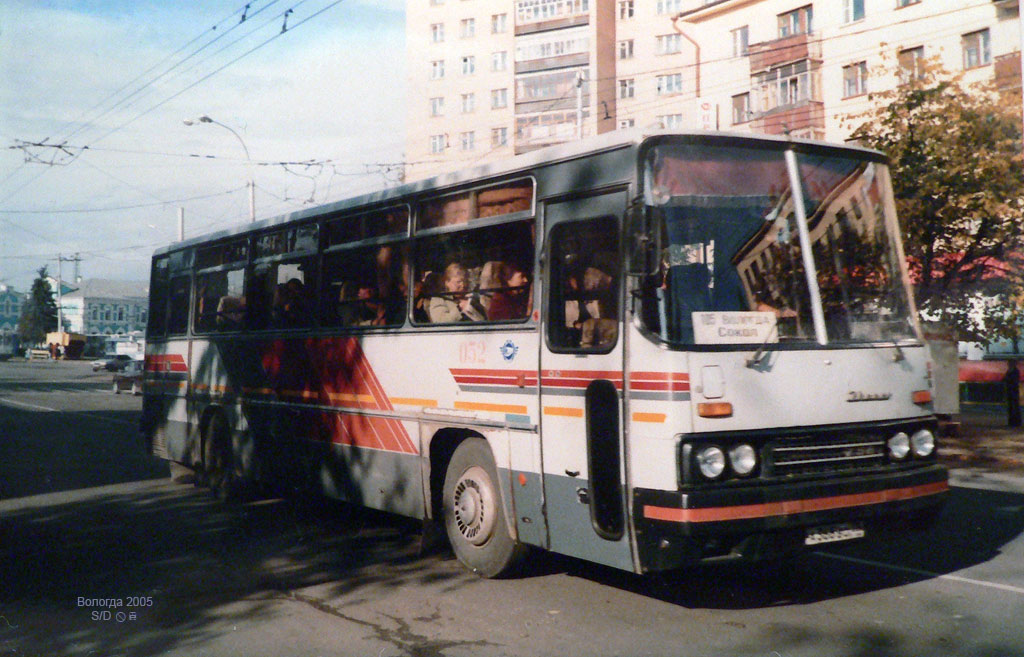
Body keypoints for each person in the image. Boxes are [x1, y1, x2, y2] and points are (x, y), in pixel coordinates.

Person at [1005, 360, 1021, 428]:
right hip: (1011, 390)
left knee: (1014, 406)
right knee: (1011, 406)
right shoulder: (1010, 371)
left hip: (1013, 390)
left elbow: (1013, 380)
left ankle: (1016, 422)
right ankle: (1012, 422)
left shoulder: (1015, 371)